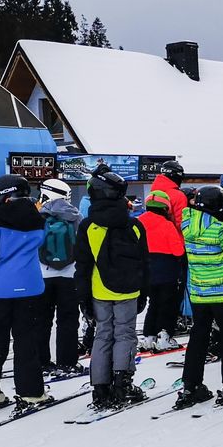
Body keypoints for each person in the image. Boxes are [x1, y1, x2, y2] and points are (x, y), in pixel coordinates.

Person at [0, 174, 48, 410]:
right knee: (27, 342)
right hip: (31, 288)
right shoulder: (39, 218)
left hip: (0, 291)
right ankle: (31, 392)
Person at [74, 170, 149, 408]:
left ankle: (100, 387)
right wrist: (143, 292)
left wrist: (83, 297)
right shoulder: (135, 226)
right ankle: (122, 382)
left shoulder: (88, 227)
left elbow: (83, 266)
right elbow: (144, 264)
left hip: (99, 290)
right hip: (128, 290)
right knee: (125, 334)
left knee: (103, 334)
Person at [174, 185, 223, 410]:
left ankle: (191, 385)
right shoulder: (219, 230)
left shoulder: (186, 224)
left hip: (199, 292)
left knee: (198, 338)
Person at [35, 178, 83, 378]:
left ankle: (42, 362)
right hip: (69, 275)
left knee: (42, 320)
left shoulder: (37, 216)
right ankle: (67, 362)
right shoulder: (75, 215)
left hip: (42, 275)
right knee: (68, 320)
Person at [137, 190, 186, 352]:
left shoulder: (139, 222)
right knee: (168, 304)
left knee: (153, 303)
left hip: (146, 272)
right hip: (167, 271)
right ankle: (165, 336)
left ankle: (148, 337)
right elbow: (178, 250)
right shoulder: (167, 224)